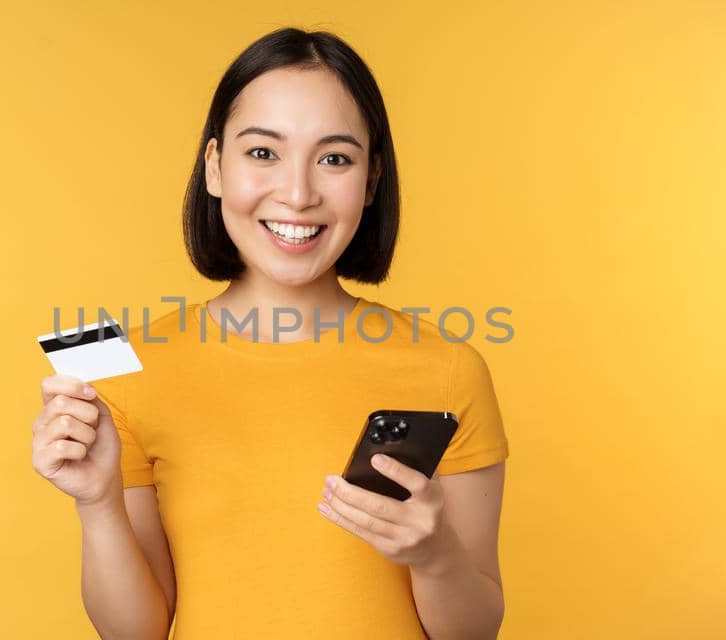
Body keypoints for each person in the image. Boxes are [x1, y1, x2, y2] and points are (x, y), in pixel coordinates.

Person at [31, 27, 508, 639]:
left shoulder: (448, 366)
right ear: (214, 168)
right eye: (263, 153)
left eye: (335, 158)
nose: (298, 193)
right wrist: (95, 505)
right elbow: (136, 634)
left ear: (371, 181)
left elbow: (475, 633)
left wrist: (434, 554)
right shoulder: (122, 365)